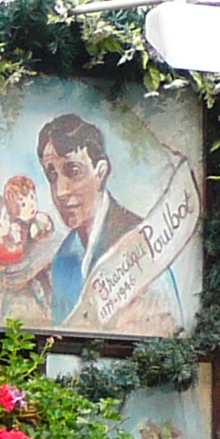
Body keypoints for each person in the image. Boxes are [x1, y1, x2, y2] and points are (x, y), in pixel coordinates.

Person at [36, 114, 187, 330]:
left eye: (73, 172)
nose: (61, 191)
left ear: (101, 172)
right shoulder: (64, 258)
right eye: (52, 176)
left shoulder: (141, 244)